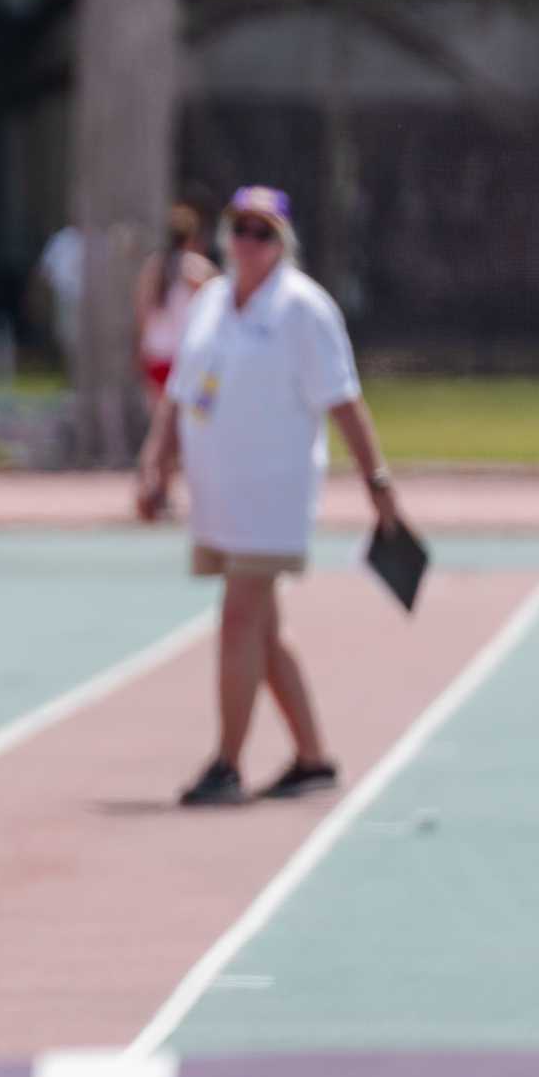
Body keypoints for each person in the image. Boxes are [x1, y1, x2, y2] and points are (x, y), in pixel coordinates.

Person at [136, 186, 401, 807]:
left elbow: (345, 402)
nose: (249, 243)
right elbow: (180, 396)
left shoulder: (303, 310)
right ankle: (312, 756)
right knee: (263, 630)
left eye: (263, 232)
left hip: (272, 499)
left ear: (283, 241)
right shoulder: (210, 303)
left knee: (237, 618)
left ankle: (227, 763)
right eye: (241, 229)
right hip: (218, 498)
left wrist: (378, 483)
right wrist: (155, 467)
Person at [136, 204, 217, 405]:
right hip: (184, 355)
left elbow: (142, 310)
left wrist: (139, 349)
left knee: (159, 420)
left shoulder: (153, 265)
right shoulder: (195, 266)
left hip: (155, 352)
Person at [33, 221, 85, 366]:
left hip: (88, 301)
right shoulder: (62, 239)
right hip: (65, 297)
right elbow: (46, 270)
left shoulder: (95, 238)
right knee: (66, 336)